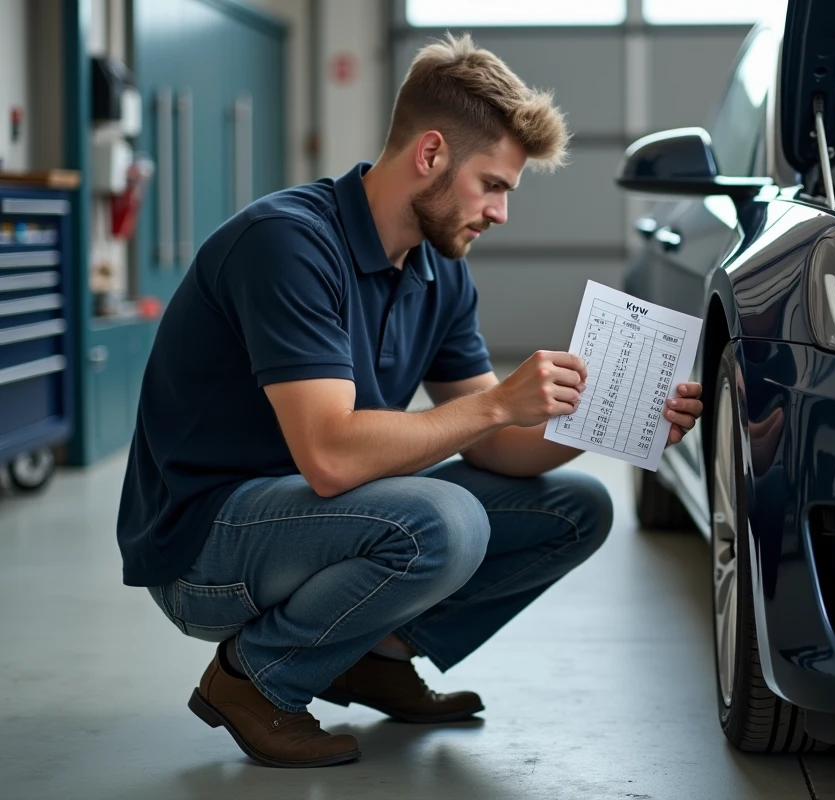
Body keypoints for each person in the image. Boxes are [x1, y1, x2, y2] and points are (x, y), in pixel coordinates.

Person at [115, 33, 704, 769]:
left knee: (577, 507)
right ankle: (254, 680)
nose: (501, 213)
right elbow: (330, 457)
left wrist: (613, 419)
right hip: (206, 548)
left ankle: (376, 657)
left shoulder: (439, 271)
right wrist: (498, 403)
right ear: (430, 154)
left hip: (317, 520)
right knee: (444, 521)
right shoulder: (287, 244)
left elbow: (496, 445)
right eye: (492, 185)